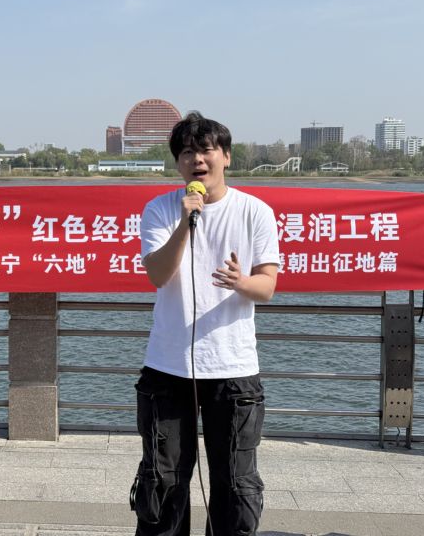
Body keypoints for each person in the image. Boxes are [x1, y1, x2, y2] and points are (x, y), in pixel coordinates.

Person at [130, 111, 280, 536]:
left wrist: (240, 282)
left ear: (226, 156)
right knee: (162, 482)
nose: (197, 159)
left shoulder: (255, 212)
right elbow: (158, 274)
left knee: (235, 485)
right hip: (167, 367)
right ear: (178, 163)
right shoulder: (160, 210)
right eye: (186, 152)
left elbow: (267, 287)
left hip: (233, 371)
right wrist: (185, 223)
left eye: (206, 150)